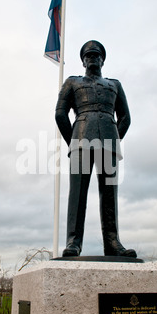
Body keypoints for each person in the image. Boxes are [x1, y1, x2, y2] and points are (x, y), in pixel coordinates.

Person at [55, 40, 137, 258]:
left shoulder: (115, 85)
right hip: (81, 140)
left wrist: (114, 140)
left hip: (109, 142)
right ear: (83, 60)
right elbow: (60, 114)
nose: (93, 58)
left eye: (96, 55)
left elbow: (126, 117)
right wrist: (73, 141)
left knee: (109, 193)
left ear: (103, 59)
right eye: (89, 55)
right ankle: (73, 241)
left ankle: (112, 242)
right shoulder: (72, 82)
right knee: (78, 193)